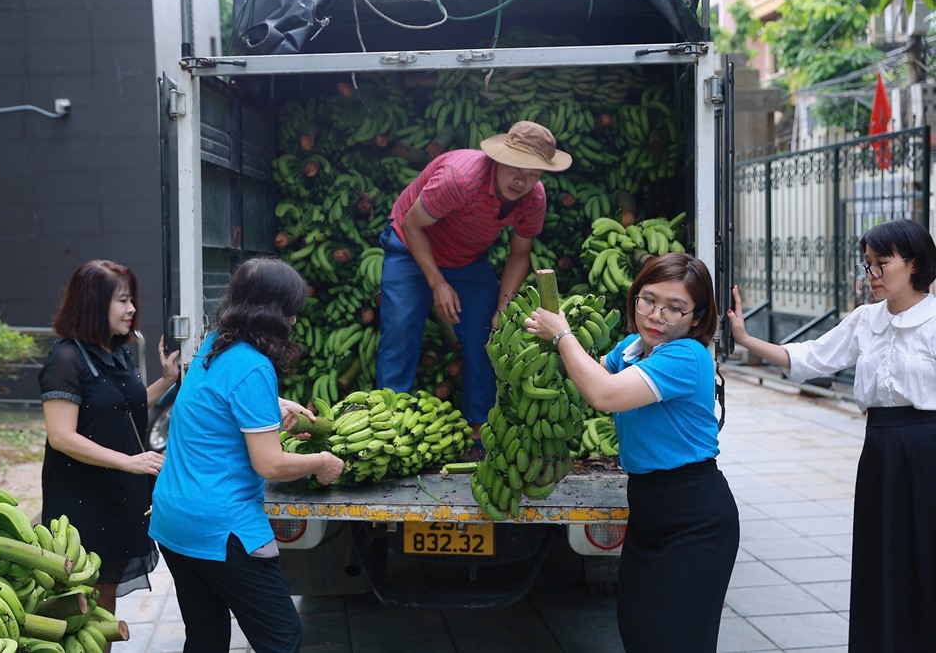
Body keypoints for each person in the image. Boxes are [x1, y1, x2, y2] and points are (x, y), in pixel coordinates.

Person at [728, 218, 936, 652]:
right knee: (882, 552)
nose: (872, 275)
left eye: (882, 264)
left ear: (914, 264)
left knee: (925, 554)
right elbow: (811, 358)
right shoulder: (865, 320)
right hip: (879, 447)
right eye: (868, 266)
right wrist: (746, 338)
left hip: (927, 451)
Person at [525, 252, 737, 653]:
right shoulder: (633, 348)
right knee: (639, 633)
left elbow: (604, 394)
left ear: (696, 317)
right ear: (635, 297)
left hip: (694, 515)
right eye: (649, 300)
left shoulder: (686, 356)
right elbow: (595, 374)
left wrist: (562, 335)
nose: (658, 315)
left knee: (675, 641)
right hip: (649, 508)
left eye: (676, 308)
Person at [148, 257, 344, 653]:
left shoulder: (214, 344)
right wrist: (323, 463)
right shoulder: (254, 366)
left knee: (206, 634)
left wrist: (277, 404)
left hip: (173, 519)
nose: (292, 322)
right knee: (281, 637)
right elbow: (270, 464)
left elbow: (217, 399)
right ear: (274, 312)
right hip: (220, 527)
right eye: (290, 312)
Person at [375, 121, 572, 440]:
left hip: (465, 259)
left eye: (534, 173)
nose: (523, 180)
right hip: (410, 246)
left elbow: (520, 254)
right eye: (517, 168)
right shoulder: (459, 178)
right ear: (499, 159)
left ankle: (479, 427)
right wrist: (437, 283)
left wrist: (503, 308)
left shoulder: (534, 198)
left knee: (489, 333)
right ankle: (386, 421)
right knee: (401, 328)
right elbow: (413, 225)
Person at [39, 260, 180, 630]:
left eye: (131, 299)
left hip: (118, 493)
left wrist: (166, 381)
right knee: (79, 599)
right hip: (81, 497)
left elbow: (120, 409)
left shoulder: (119, 352)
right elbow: (61, 436)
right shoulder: (65, 358)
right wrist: (130, 462)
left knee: (106, 595)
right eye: (121, 301)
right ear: (92, 304)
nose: (131, 309)